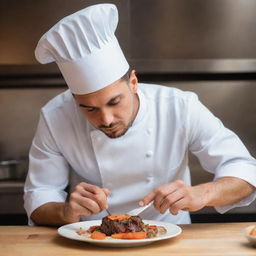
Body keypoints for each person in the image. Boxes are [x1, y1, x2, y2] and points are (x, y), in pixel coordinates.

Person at [24, 3, 256, 226]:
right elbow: (39, 195)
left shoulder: (179, 107)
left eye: (114, 102)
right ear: (74, 100)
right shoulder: (55, 116)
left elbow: (244, 169)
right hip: (91, 238)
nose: (106, 119)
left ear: (133, 82)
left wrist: (202, 194)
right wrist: (65, 211)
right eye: (89, 108)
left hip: (172, 238)